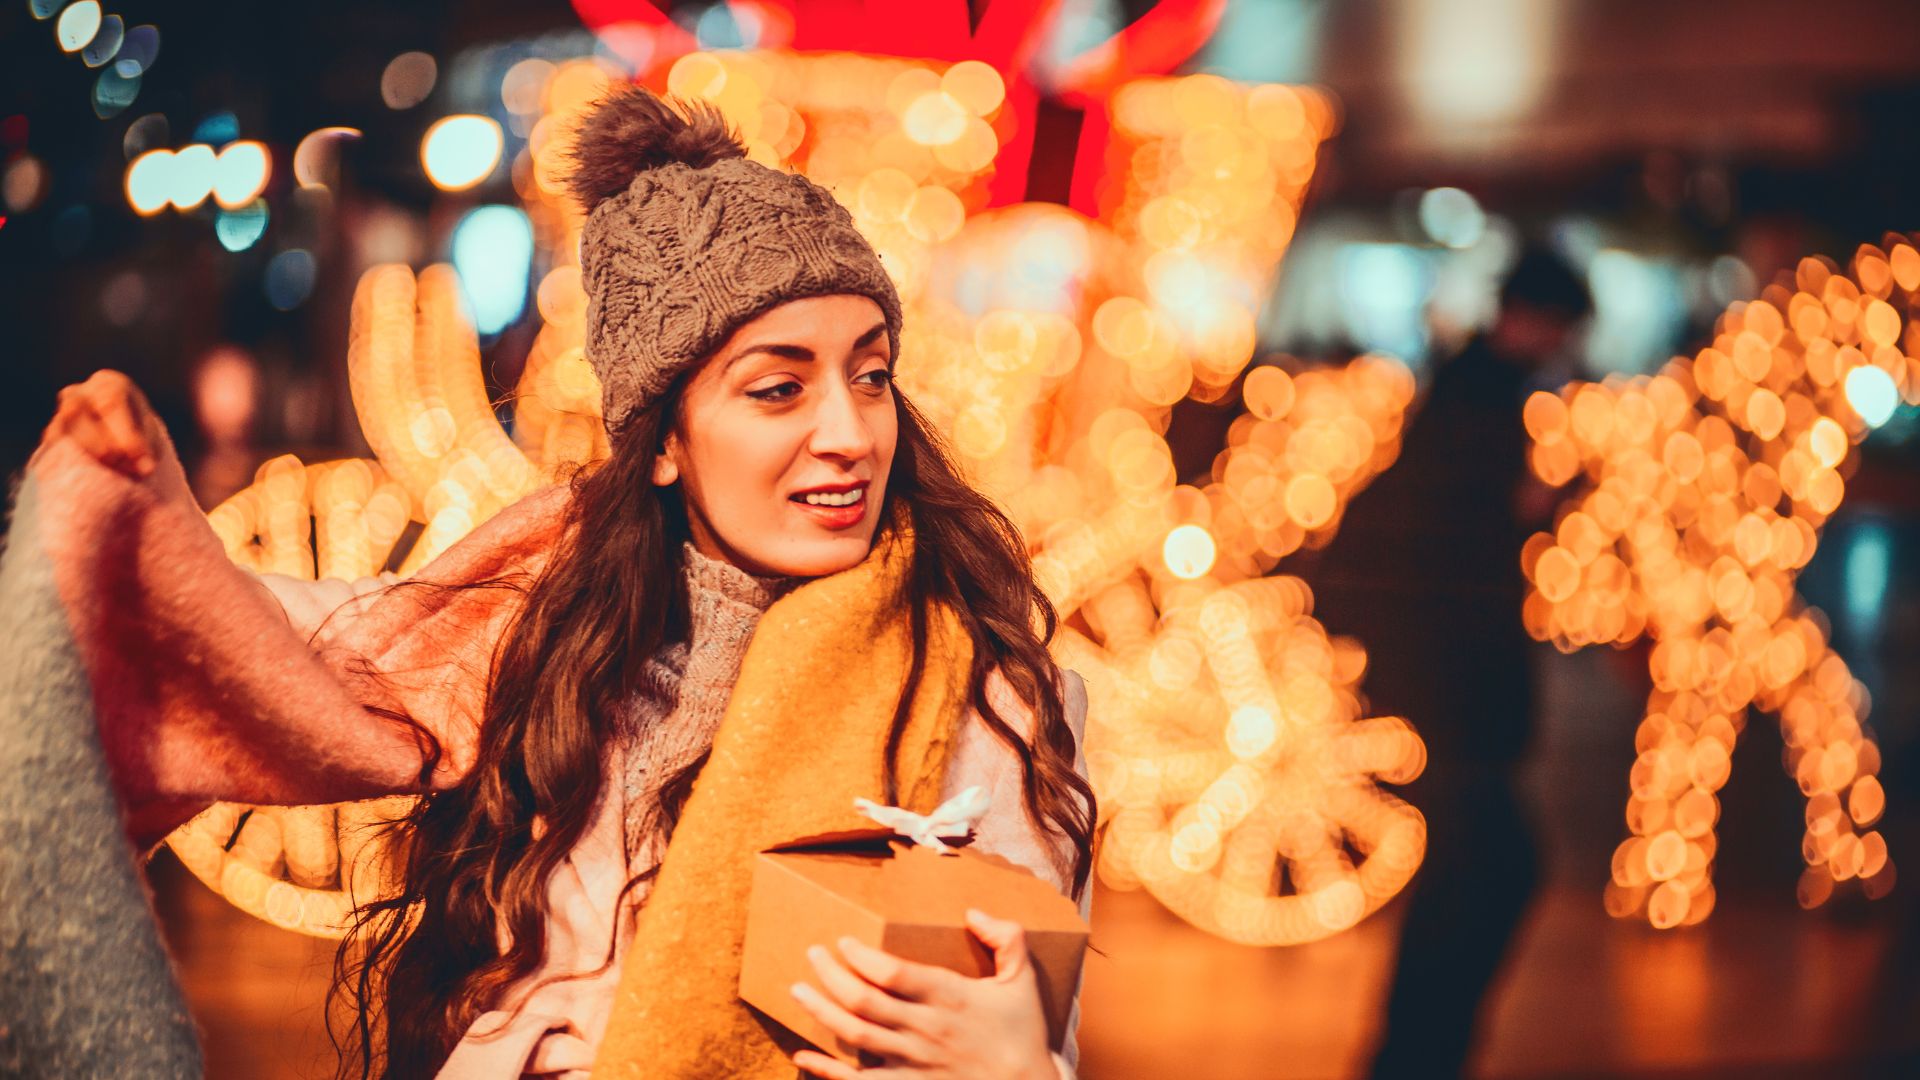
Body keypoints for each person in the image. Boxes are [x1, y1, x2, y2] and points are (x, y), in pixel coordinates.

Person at [6, 85, 1094, 1080]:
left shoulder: (990, 693)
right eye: (778, 389)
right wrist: (123, 509)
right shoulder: (541, 651)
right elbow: (269, 638)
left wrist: (1024, 1066)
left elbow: (1036, 1014)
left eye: (871, 374)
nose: (850, 434)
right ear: (663, 439)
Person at [1306, 245, 1591, 1078]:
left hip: (1445, 678)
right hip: (1451, 681)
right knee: (1494, 863)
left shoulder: (1472, 391)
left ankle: (1419, 1048)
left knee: (1478, 866)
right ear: (1533, 318)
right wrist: (1527, 509)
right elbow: (1450, 542)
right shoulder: (1479, 401)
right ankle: (1421, 1050)